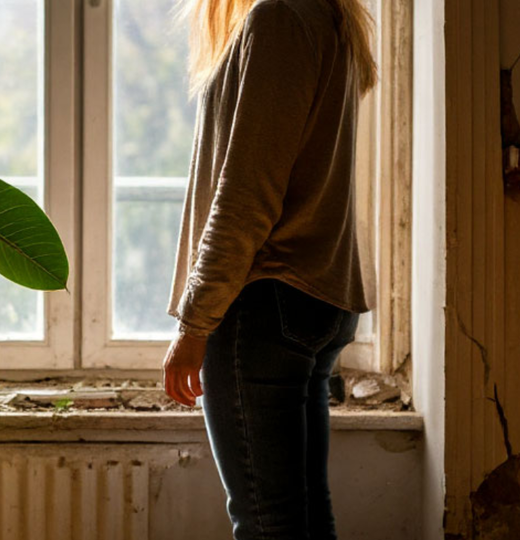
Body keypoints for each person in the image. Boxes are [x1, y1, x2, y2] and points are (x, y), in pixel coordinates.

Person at [163, 0, 377, 538]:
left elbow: (247, 195)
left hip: (266, 305)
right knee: (302, 516)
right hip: (314, 297)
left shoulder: (279, 16)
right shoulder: (328, 15)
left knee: (267, 522)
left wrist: (195, 323)